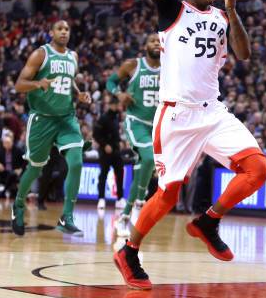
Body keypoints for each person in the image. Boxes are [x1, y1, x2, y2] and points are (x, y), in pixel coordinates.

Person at [113, 0, 266, 290]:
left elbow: (244, 54)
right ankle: (129, 250)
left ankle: (208, 221)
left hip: (213, 112)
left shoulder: (221, 15)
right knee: (167, 194)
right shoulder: (172, 11)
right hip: (177, 116)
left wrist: (233, 10)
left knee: (259, 169)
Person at [12, 20, 92, 236]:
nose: (64, 32)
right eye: (60, 29)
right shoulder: (41, 54)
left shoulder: (73, 56)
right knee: (35, 168)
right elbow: (19, 84)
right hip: (42, 119)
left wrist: (78, 94)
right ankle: (18, 204)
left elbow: (70, 80)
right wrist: (38, 84)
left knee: (76, 162)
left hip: (66, 118)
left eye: (67, 29)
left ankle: (67, 217)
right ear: (51, 33)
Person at [107, 33, 160, 235]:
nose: (156, 44)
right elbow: (111, 82)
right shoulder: (133, 65)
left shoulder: (171, 66)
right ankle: (139, 203)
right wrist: (119, 94)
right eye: (152, 41)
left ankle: (124, 218)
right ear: (145, 46)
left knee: (141, 171)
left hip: (158, 126)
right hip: (136, 122)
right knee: (148, 157)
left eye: (159, 41)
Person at [93, 97, 126, 210]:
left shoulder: (116, 117)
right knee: (103, 175)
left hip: (116, 151)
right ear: (112, 105)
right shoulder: (103, 118)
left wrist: (119, 142)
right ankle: (101, 199)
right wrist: (104, 145)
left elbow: (116, 133)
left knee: (120, 174)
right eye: (117, 105)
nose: (119, 107)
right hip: (105, 152)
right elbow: (96, 134)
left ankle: (120, 199)